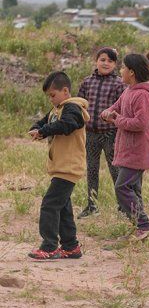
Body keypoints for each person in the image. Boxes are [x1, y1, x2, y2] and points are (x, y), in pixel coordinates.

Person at [101, 54, 149, 241]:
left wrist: (116, 119)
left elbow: (140, 123)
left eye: (123, 67)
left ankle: (143, 225)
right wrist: (108, 112)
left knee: (122, 187)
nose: (120, 70)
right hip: (128, 149)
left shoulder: (143, 95)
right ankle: (140, 228)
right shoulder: (129, 91)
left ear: (131, 72)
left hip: (138, 151)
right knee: (134, 189)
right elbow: (116, 107)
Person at [27, 72, 89, 260]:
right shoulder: (57, 109)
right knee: (62, 207)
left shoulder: (73, 108)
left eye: (53, 95)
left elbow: (67, 125)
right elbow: (45, 122)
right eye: (49, 96)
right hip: (61, 167)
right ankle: (71, 247)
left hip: (69, 167)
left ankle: (49, 246)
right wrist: (36, 128)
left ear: (65, 91)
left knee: (49, 205)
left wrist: (43, 131)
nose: (51, 99)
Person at [76, 47, 126, 218]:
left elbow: (123, 108)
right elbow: (79, 105)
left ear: (115, 64)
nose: (106, 63)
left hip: (111, 133)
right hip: (90, 133)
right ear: (96, 61)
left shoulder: (119, 83)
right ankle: (92, 205)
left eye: (110, 61)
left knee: (115, 170)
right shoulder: (87, 82)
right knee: (91, 169)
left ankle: (123, 206)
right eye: (102, 60)